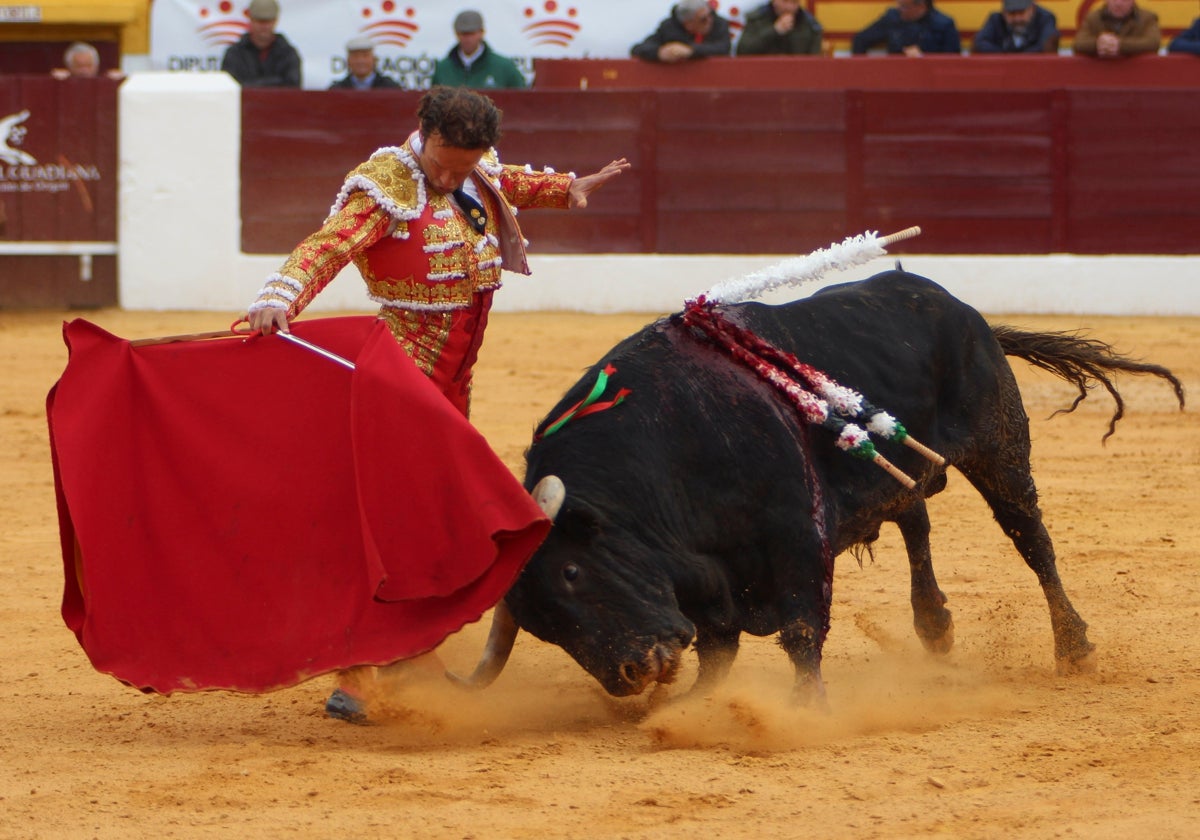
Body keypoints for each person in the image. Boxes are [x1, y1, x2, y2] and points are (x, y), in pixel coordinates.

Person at [243, 87, 629, 722]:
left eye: (464, 165)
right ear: (421, 133)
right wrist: (281, 293)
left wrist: (569, 188)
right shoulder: (385, 186)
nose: (451, 177)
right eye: (444, 163)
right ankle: (368, 673)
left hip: (451, 382)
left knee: (428, 517)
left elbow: (510, 183)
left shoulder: (474, 170)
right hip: (400, 381)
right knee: (403, 524)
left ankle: (396, 656)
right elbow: (330, 244)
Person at [429, 10, 526, 89]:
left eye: (471, 33)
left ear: (482, 32)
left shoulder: (505, 68)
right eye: (463, 34)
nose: (468, 39)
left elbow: (522, 101)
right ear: (456, 34)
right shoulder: (443, 69)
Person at [220, 0, 302, 87]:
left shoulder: (288, 54)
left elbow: (293, 86)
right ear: (250, 20)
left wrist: (252, 85)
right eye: (259, 21)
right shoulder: (234, 54)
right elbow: (229, 87)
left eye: (268, 21)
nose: (264, 26)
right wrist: (275, 82)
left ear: (275, 21)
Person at [631, 0, 733, 63]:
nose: (709, 21)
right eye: (703, 19)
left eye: (710, 15)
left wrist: (691, 51)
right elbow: (638, 49)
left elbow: (723, 47)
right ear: (688, 24)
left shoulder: (718, 23)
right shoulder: (670, 27)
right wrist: (659, 53)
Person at [851, 0, 962, 55]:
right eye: (898, 4)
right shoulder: (892, 18)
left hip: (930, 82)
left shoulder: (944, 24)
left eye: (904, 6)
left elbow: (952, 60)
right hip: (896, 78)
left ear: (921, 6)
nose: (899, 9)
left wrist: (923, 57)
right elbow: (860, 40)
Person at [1072, 0, 1160, 58]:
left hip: (1136, 75)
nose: (1118, 3)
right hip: (1101, 74)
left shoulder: (1148, 18)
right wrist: (1098, 44)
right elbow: (1078, 44)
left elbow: (1153, 43)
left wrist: (1120, 45)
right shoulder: (1093, 17)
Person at [735, 0, 824, 56]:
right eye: (785, 1)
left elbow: (814, 59)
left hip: (797, 76)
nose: (789, 7)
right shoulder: (757, 19)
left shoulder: (810, 24)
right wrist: (775, 30)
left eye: (794, 2)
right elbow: (743, 50)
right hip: (761, 74)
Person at [972, 0, 1060, 53]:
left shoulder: (1045, 19)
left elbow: (1046, 46)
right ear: (1003, 12)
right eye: (1012, 13)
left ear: (1032, 9)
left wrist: (1012, 56)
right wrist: (1009, 57)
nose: (1017, 19)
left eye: (1021, 13)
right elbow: (980, 43)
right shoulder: (995, 19)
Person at [328, 37, 399, 89]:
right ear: (348, 61)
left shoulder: (390, 87)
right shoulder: (338, 89)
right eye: (355, 56)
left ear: (374, 60)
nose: (360, 61)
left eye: (365, 56)